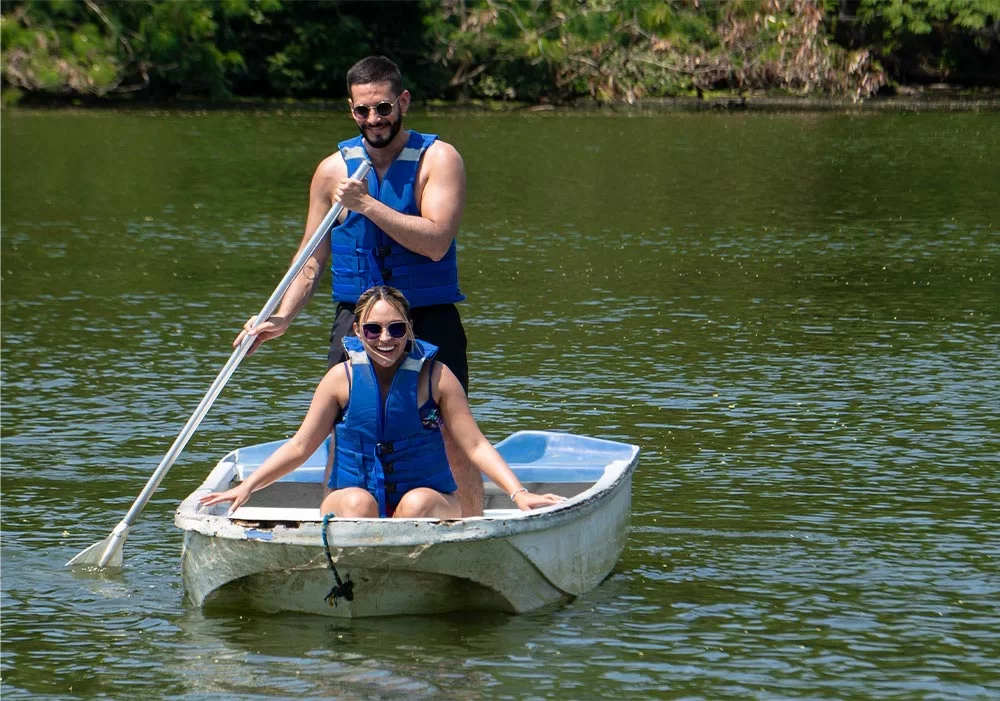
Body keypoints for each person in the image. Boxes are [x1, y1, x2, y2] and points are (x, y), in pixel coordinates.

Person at [233, 55, 484, 515]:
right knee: (344, 427)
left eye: (384, 108)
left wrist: (366, 204)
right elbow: (310, 259)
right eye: (363, 110)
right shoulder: (332, 170)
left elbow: (435, 241)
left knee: (448, 429)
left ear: (403, 101)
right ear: (351, 109)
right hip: (357, 320)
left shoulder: (438, 159)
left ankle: (474, 526)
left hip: (427, 315)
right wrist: (280, 318)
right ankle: (340, 532)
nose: (374, 120)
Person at [204, 286, 563, 518]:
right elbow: (300, 446)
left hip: (425, 502)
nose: (385, 339)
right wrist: (247, 486)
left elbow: (475, 444)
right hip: (353, 502)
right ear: (358, 332)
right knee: (359, 504)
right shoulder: (339, 380)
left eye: (396, 329)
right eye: (373, 329)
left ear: (410, 329)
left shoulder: (436, 376)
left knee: (416, 504)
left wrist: (519, 495)